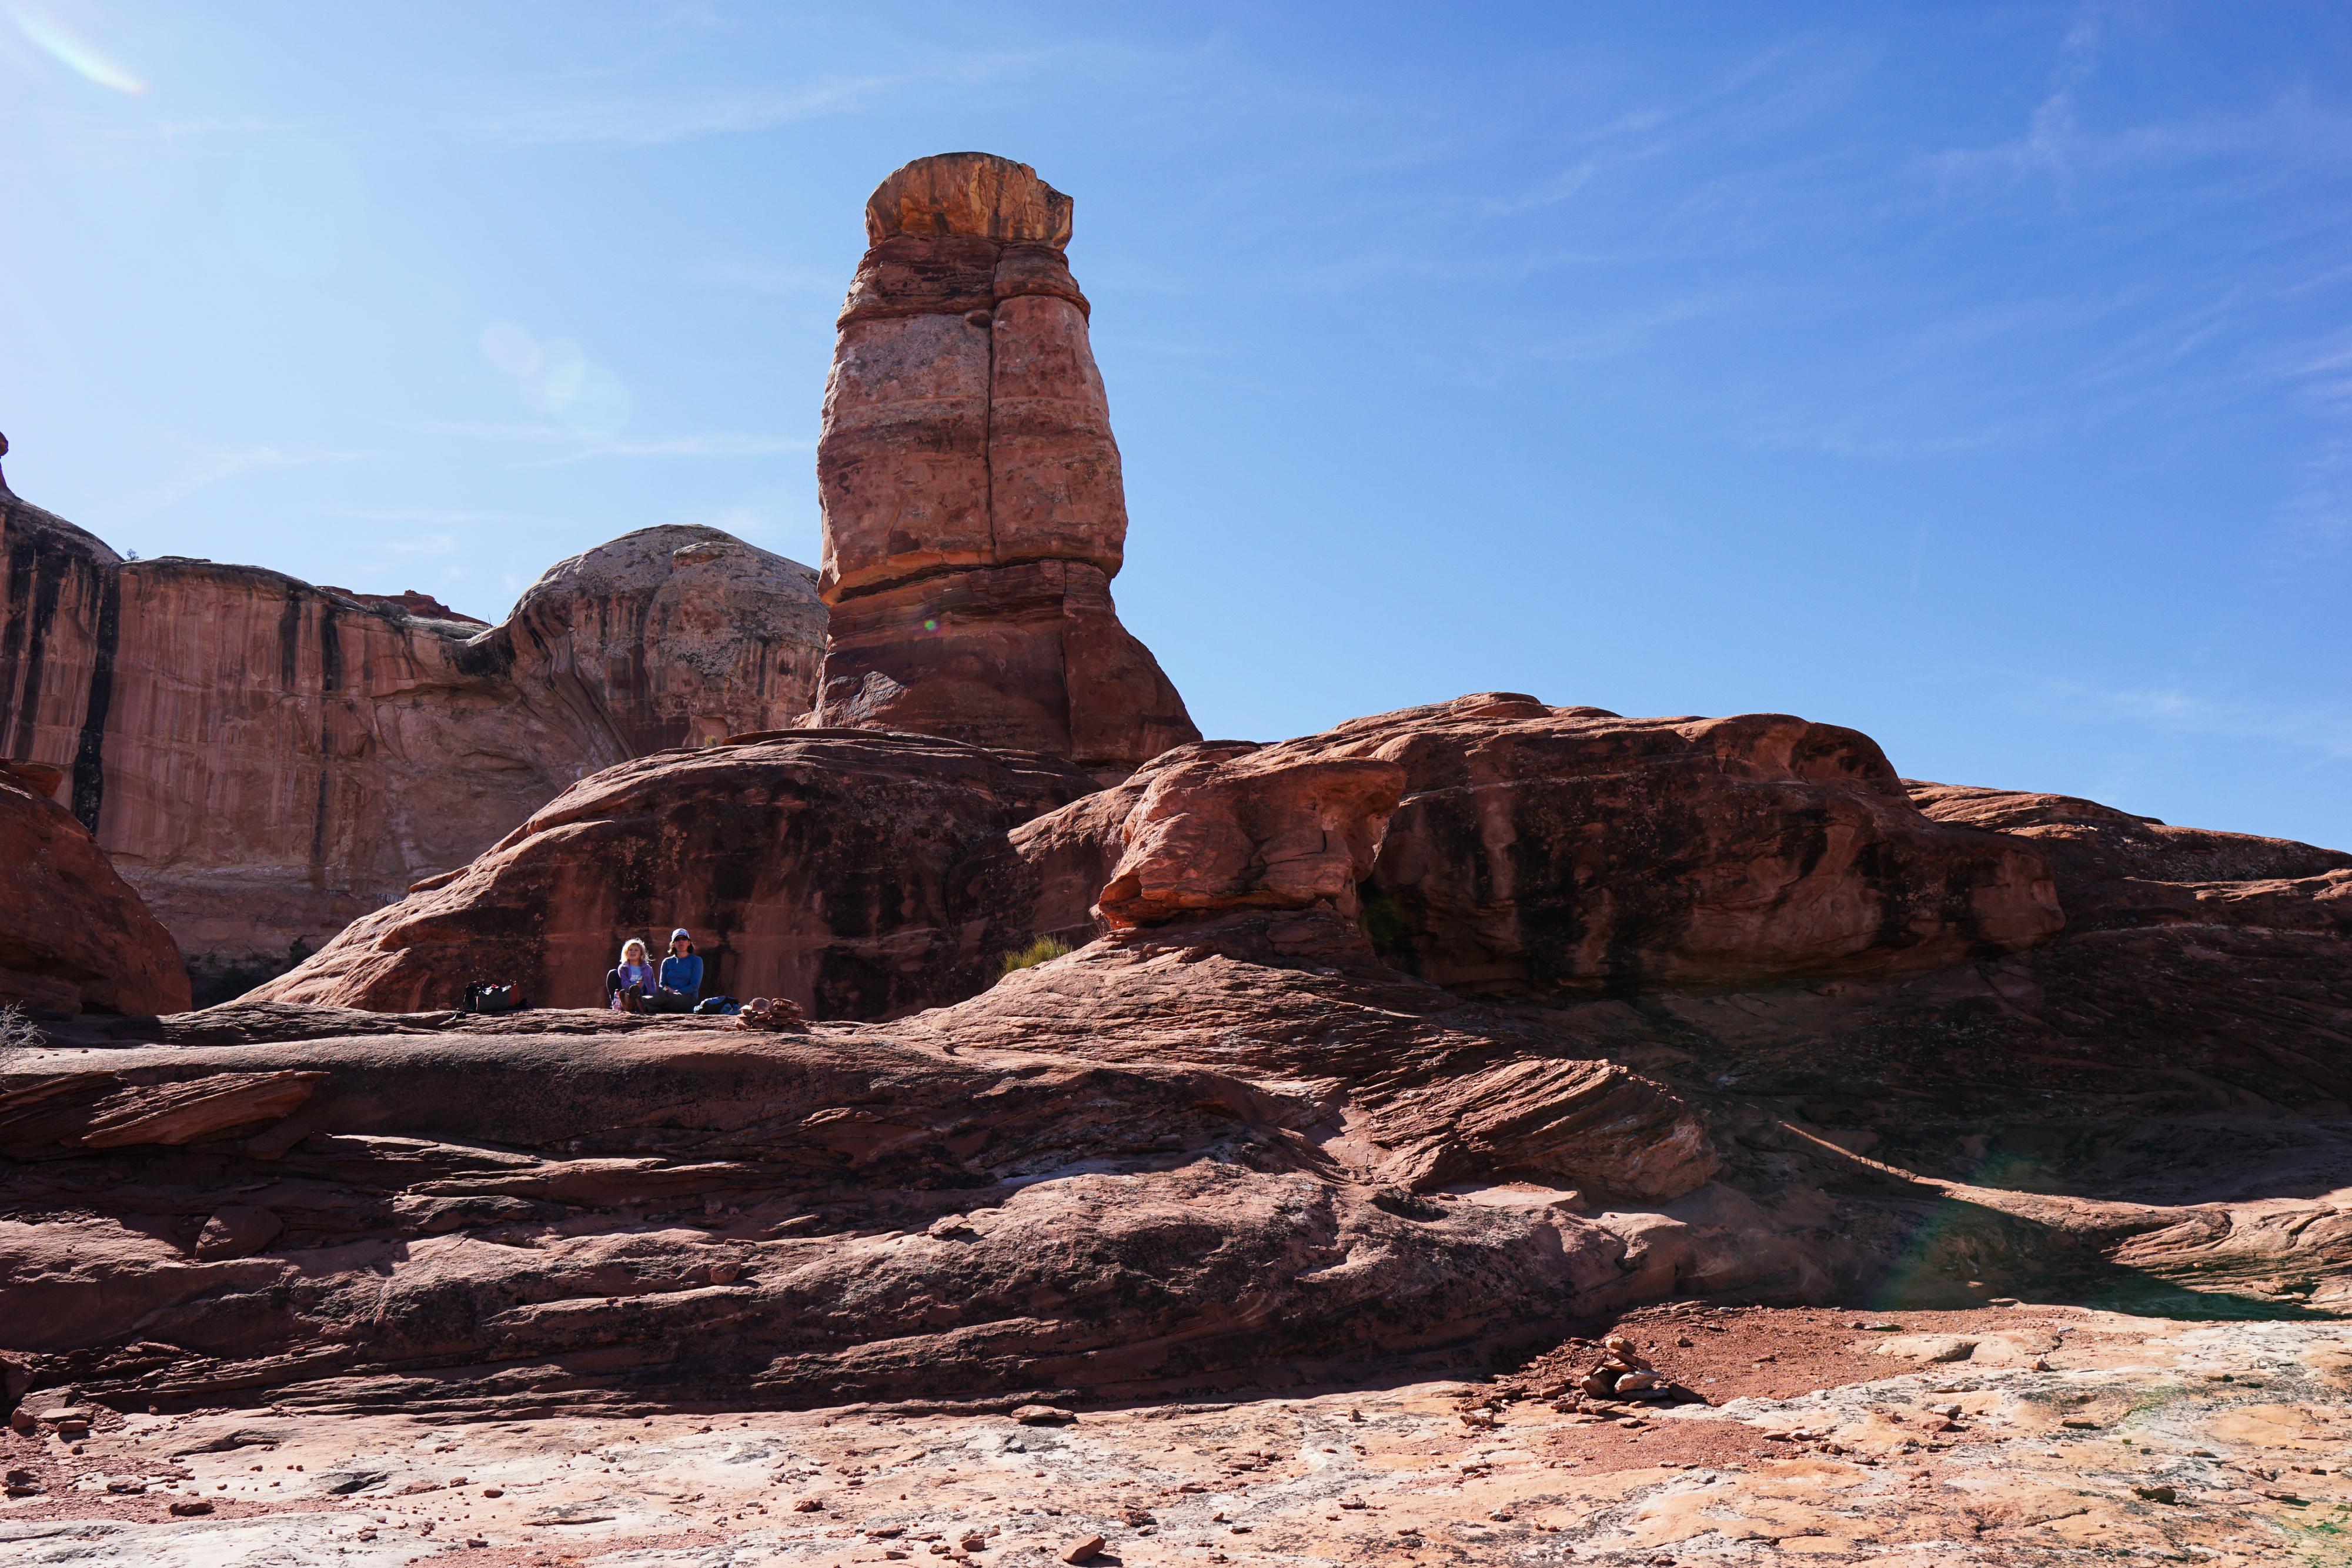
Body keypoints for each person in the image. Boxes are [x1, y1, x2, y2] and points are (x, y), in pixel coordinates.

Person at [650, 928, 703, 1013]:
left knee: (660, 999)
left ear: (689, 942)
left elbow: (694, 986)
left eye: (684, 939)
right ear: (673, 944)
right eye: (677, 939)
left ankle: (640, 1001)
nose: (681, 941)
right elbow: (662, 986)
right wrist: (667, 991)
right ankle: (638, 1003)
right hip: (667, 997)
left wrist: (675, 992)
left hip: (688, 999)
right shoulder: (667, 962)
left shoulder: (696, 961)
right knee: (659, 998)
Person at [606, 939, 654, 1011]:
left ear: (641, 954)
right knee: (613, 974)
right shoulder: (623, 968)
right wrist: (633, 987)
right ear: (626, 953)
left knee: (639, 997)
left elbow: (651, 984)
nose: (633, 952)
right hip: (628, 993)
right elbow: (624, 983)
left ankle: (639, 1006)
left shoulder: (647, 969)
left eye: (636, 950)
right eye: (630, 950)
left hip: (642, 996)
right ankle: (620, 1003)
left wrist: (651, 998)